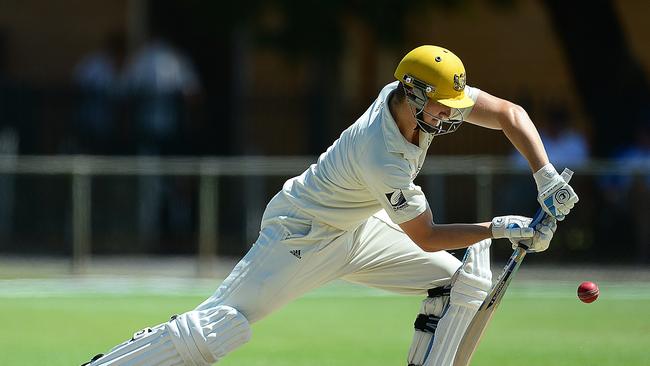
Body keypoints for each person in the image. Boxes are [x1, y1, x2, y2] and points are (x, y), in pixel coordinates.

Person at [82, 45, 578, 366]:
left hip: (361, 228)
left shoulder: (415, 100)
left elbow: (511, 114)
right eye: (443, 106)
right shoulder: (382, 154)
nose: (452, 115)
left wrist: (546, 176)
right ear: (413, 95)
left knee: (460, 283)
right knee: (219, 327)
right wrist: (498, 227)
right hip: (303, 233)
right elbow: (426, 235)